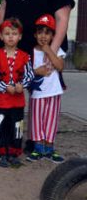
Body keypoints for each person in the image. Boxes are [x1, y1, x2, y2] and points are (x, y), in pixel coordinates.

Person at [0, 18, 33, 167]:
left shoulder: (25, 56)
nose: (10, 37)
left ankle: (14, 152)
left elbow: (29, 75)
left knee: (17, 127)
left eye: (14, 33)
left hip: (17, 102)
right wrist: (4, 87)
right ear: (1, 36)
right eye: (7, 33)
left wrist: (22, 85)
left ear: (20, 36)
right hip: (0, 101)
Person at [27, 14, 66, 163]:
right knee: (37, 121)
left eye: (47, 32)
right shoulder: (32, 52)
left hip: (54, 92)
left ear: (52, 35)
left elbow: (60, 66)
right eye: (40, 32)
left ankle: (49, 148)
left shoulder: (57, 49)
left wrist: (49, 50)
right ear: (35, 34)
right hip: (37, 93)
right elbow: (27, 72)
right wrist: (38, 71)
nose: (43, 36)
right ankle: (38, 148)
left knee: (51, 121)